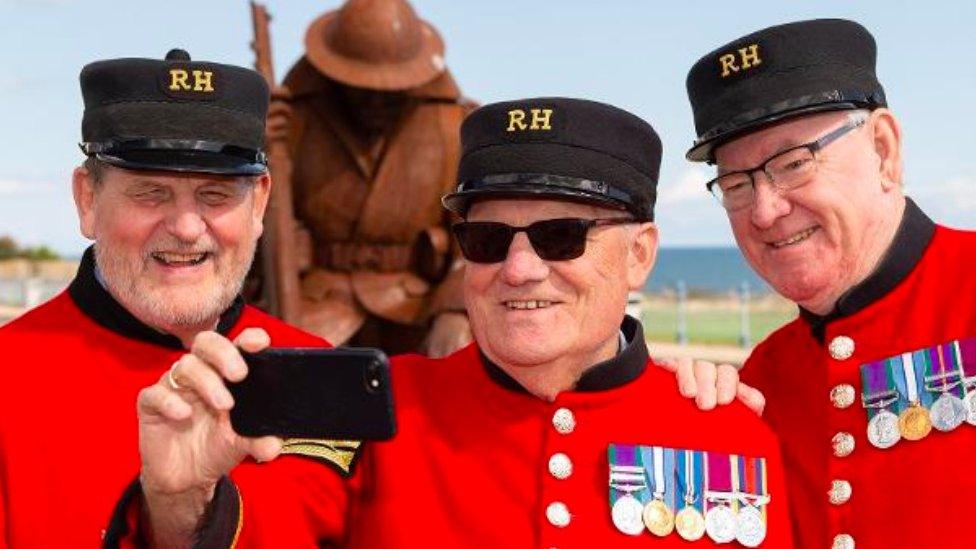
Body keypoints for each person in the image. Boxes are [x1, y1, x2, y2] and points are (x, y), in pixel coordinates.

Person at [116, 98, 794, 548]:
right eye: (488, 239)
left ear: (640, 253)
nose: (521, 268)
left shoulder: (729, 431)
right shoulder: (372, 413)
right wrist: (179, 500)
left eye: (561, 236)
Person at [0, 49, 330, 547]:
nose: (185, 228)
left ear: (259, 203)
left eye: (215, 196)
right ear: (87, 200)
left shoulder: (320, 374)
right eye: (150, 193)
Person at [680, 18, 976, 549]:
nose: (766, 211)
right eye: (735, 184)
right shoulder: (762, 381)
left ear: (883, 149)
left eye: (794, 163)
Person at [258, 0, 474, 356]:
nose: (375, 103)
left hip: (417, 307)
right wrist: (260, 150)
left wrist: (455, 308)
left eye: (389, 95)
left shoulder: (454, 126)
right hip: (316, 305)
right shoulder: (290, 122)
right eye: (360, 90)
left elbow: (475, 235)